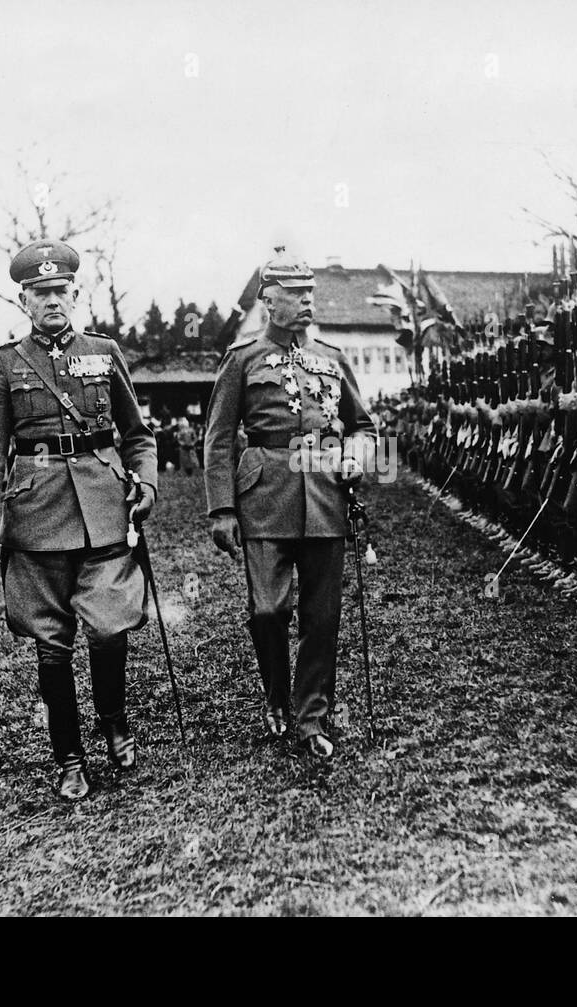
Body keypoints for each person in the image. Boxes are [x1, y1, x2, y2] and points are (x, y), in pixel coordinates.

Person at [0, 238, 158, 800]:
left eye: (60, 291)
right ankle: (68, 756)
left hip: (104, 504)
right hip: (37, 513)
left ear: (74, 294)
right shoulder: (5, 364)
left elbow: (138, 433)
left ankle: (114, 722)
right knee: (51, 642)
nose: (52, 300)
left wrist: (144, 480)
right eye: (40, 292)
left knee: (108, 626)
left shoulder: (103, 352)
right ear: (24, 299)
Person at [203, 247, 376, 759]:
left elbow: (363, 424)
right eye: (295, 295)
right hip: (265, 499)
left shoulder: (332, 358)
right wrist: (222, 510)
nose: (306, 302)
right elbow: (216, 440)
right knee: (268, 611)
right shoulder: (242, 360)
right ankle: (277, 696)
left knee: (322, 618)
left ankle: (312, 716)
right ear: (267, 300)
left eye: (310, 294)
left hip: (325, 495)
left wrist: (357, 453)